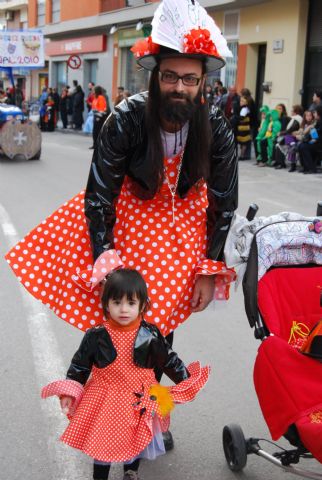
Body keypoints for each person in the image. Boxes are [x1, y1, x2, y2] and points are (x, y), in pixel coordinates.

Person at [5, 0, 237, 453]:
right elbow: (100, 194)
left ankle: (152, 414)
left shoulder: (218, 129)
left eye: (189, 79)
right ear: (155, 77)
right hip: (129, 216)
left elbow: (224, 203)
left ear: (202, 84)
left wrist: (210, 269)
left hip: (181, 222)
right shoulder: (125, 118)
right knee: (123, 316)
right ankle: (110, 409)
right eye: (170, 77)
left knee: (160, 327)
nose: (178, 87)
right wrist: (106, 258)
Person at [41, 267, 210, 480]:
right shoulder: (96, 335)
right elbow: (80, 366)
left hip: (139, 397)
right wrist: (69, 391)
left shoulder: (150, 334)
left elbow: (168, 360)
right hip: (104, 398)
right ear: (106, 304)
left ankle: (131, 471)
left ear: (142, 305)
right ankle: (99, 475)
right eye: (117, 302)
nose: (123, 309)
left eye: (131, 303)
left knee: (135, 437)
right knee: (102, 440)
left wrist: (186, 380)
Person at [297, 105, 322, 174]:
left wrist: (313, 138)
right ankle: (305, 167)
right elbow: (314, 134)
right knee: (301, 145)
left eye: (315, 113)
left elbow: (317, 135)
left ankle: (311, 168)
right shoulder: (318, 121)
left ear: (319, 113)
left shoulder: (320, 122)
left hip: (319, 144)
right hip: (315, 142)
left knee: (304, 147)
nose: (314, 114)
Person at [89, 85, 109, 149]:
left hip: (99, 117)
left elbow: (102, 108)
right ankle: (95, 144)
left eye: (94, 90)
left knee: (97, 131)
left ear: (96, 91)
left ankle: (98, 145)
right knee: (95, 131)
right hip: (95, 116)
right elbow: (93, 106)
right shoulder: (95, 97)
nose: (93, 91)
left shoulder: (101, 97)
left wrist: (99, 117)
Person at [236, 96, 251, 160]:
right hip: (243, 127)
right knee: (242, 142)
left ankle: (242, 155)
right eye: (240, 101)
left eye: (242, 101)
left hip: (244, 128)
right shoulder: (244, 108)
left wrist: (236, 117)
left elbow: (242, 117)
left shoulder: (244, 109)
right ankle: (242, 155)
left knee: (243, 142)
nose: (240, 102)